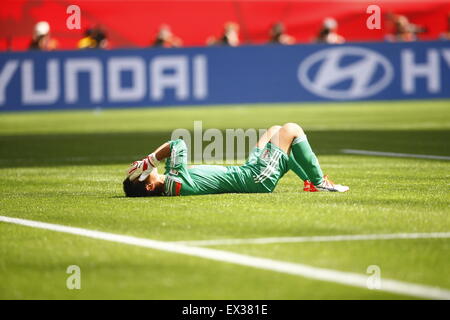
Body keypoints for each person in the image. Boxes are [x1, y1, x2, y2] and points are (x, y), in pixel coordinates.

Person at [123, 123, 349, 197]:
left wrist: (150, 164)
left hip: (248, 171)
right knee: (291, 129)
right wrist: (151, 159)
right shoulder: (173, 181)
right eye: (143, 173)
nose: (146, 169)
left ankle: (309, 181)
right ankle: (320, 182)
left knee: (274, 130)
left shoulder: (171, 180)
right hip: (256, 179)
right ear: (150, 185)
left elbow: (175, 149)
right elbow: (178, 144)